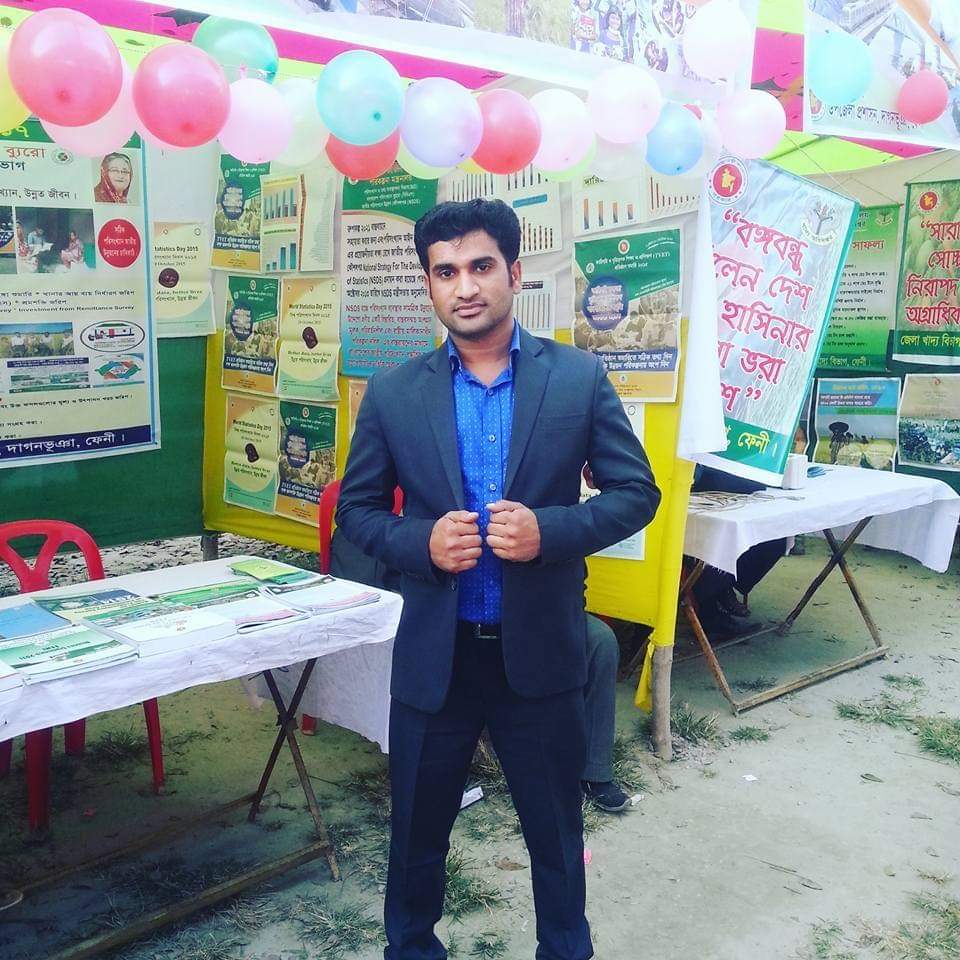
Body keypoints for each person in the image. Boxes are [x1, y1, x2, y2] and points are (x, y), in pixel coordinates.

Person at [337, 198, 660, 960]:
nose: (465, 286)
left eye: (480, 266)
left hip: (539, 656)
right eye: (445, 271)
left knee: (556, 837)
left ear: (514, 273)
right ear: (429, 284)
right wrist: (420, 542)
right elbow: (356, 511)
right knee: (416, 840)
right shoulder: (394, 393)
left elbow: (636, 493)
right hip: (436, 659)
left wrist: (552, 531)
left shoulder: (576, 378)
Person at [329, 526, 632, 814]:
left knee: (599, 641)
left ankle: (595, 770)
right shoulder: (392, 511)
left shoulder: (526, 496)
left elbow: (571, 564)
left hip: (531, 613)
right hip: (443, 619)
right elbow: (369, 579)